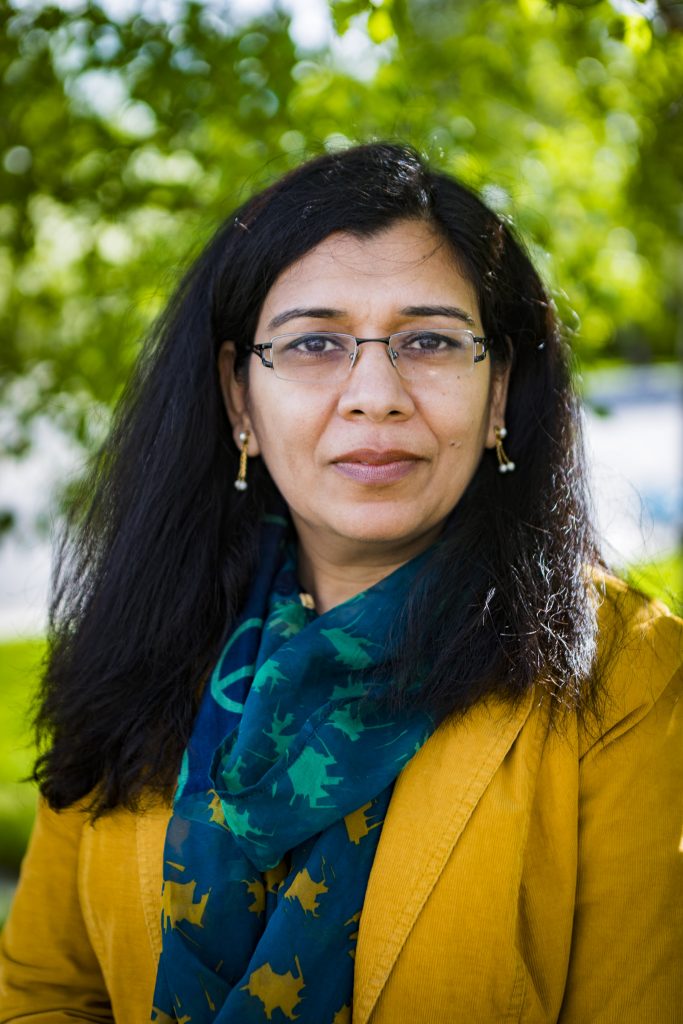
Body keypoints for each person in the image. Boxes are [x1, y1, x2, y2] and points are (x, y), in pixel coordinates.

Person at [0, 142, 681, 1024]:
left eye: (429, 341)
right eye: (314, 343)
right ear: (238, 399)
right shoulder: (138, 647)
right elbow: (43, 995)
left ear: (499, 391)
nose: (374, 395)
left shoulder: (625, 672)